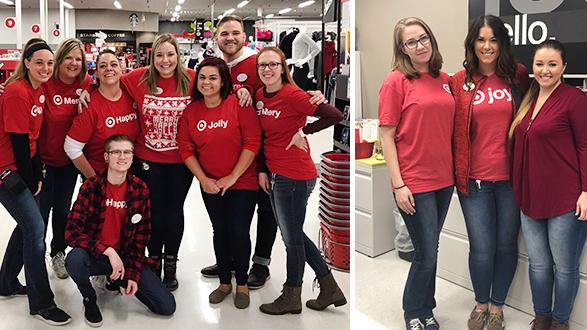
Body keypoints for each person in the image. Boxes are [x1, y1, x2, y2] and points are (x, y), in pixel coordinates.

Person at [200, 14, 327, 289]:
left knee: (266, 209)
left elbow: (284, 88)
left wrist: (313, 99)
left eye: (235, 33)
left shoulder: (257, 62)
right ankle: (233, 261)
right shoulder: (217, 65)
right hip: (233, 154)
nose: (230, 38)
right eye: (224, 34)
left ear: (244, 36)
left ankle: (260, 263)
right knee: (236, 213)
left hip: (267, 153)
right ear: (216, 38)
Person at [450, 15, 530, 330]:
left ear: (502, 43)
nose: (487, 46)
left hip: (511, 179)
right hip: (475, 180)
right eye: (481, 40)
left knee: (507, 245)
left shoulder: (517, 76)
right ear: (472, 43)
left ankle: (497, 307)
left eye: (493, 40)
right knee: (481, 247)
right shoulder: (460, 81)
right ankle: (481, 302)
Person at [254, 47, 345, 315]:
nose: (267, 69)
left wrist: (304, 130)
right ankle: (329, 287)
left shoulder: (293, 95)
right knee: (292, 234)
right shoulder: (260, 95)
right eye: (262, 65)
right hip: (275, 174)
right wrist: (262, 169)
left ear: (284, 67)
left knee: (291, 239)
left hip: (294, 177)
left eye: (273, 64)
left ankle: (292, 295)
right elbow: (262, 137)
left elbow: (334, 115)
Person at [379, 17, 455, 330]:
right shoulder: (395, 81)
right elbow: (386, 136)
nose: (420, 46)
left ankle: (427, 307)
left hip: (444, 180)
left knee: (430, 250)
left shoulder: (445, 78)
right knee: (425, 252)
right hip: (414, 181)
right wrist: (398, 185)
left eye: (423, 38)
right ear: (402, 49)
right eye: (411, 42)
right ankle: (414, 312)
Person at [510, 40, 587, 330]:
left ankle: (560, 322)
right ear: (532, 66)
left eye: (552, 64)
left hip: (565, 201)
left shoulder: (574, 99)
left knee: (564, 267)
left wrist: (586, 192)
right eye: (540, 64)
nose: (545, 70)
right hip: (530, 199)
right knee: (539, 264)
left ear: (564, 67)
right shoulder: (529, 99)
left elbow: (585, 146)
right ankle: (541, 316)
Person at [65, 134, 175, 327]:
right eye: (116, 152)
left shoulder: (140, 189)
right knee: (74, 259)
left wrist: (132, 274)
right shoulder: (91, 187)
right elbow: (71, 232)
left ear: (132, 157)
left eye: (127, 152)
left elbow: (141, 239)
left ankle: (115, 279)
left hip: (125, 258)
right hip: (96, 255)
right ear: (106, 157)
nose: (122, 157)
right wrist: (107, 251)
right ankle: (89, 299)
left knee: (166, 306)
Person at [177, 57, 261, 309]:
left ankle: (242, 283)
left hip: (242, 181)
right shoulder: (192, 111)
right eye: (202, 77)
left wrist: (232, 177)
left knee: (238, 231)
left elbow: (252, 142)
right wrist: (203, 179)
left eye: (213, 77)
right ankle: (225, 282)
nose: (207, 82)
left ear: (224, 80)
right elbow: (185, 147)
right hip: (211, 183)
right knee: (220, 231)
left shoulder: (238, 104)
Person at [0, 38, 71, 325]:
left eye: (49, 63)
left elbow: (33, 139)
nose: (45, 68)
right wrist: (31, 181)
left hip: (22, 168)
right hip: (6, 171)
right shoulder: (17, 92)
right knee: (36, 230)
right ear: (26, 63)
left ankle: (5, 283)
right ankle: (42, 303)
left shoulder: (38, 90)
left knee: (28, 226)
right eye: (39, 62)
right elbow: (17, 142)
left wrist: (37, 173)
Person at [120, 34, 196, 291]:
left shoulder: (192, 79)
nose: (165, 60)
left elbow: (220, 88)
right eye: (160, 55)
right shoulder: (138, 78)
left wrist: (241, 92)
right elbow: (108, 83)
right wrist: (86, 93)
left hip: (181, 160)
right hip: (147, 158)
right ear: (152, 58)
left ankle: (171, 262)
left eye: (170, 54)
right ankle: (153, 260)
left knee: (174, 210)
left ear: (178, 56)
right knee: (152, 211)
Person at [36, 38, 92, 280]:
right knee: (39, 214)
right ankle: (34, 258)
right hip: (42, 163)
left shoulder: (88, 84)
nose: (73, 63)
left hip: (70, 163)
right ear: (59, 60)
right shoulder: (45, 83)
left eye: (78, 59)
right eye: (68, 57)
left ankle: (58, 252)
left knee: (63, 211)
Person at [64, 49, 139, 179]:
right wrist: (94, 180)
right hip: (102, 177)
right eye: (103, 66)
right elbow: (71, 147)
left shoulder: (132, 95)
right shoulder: (90, 105)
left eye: (114, 65)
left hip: (130, 177)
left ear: (121, 69)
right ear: (97, 73)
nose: (109, 69)